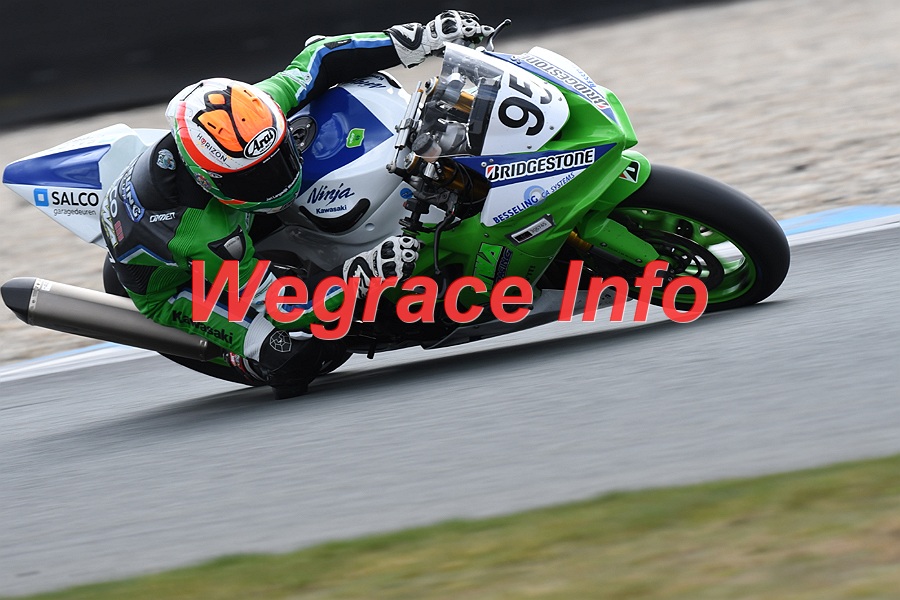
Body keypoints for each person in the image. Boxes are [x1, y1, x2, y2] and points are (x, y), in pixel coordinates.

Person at [99, 11, 493, 393]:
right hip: (182, 284)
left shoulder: (253, 110)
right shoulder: (203, 237)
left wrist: (418, 39)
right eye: (253, 177)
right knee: (296, 354)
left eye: (277, 158)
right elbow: (287, 308)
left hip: (228, 216)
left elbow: (321, 57)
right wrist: (361, 275)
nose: (275, 180)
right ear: (206, 179)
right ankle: (244, 357)